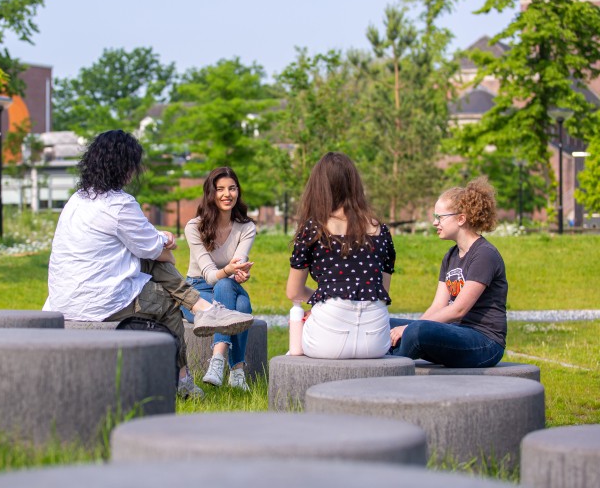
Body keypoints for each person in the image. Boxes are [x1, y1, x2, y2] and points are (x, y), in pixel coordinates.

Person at [43, 130, 254, 399]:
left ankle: (203, 309)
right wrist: (164, 244)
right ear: (126, 167)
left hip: (63, 298)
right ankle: (183, 381)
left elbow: (146, 245)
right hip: (98, 301)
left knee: (148, 262)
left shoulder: (77, 199)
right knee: (167, 303)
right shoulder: (120, 204)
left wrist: (156, 246)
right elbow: (157, 252)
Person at [286, 152, 396, 359]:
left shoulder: (313, 228)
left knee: (294, 343)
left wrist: (326, 298)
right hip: (376, 339)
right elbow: (381, 290)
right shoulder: (380, 229)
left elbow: (294, 292)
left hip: (328, 335)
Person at [389, 177, 507, 368]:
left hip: (485, 343)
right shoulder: (451, 255)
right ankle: (383, 358)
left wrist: (411, 329)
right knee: (385, 324)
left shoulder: (485, 254)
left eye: (440, 217)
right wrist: (405, 329)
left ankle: (383, 369)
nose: (434, 223)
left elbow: (458, 310)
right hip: (454, 331)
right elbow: (438, 306)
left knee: (416, 331)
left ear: (461, 218)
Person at [181, 167, 256, 391]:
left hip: (228, 286)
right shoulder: (194, 227)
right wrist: (230, 270)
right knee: (242, 304)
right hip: (195, 292)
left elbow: (236, 264)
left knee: (227, 285)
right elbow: (209, 274)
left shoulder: (246, 227)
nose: (227, 194)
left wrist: (239, 271)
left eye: (232, 188)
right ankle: (237, 371)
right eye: (220, 189)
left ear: (238, 192)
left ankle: (217, 361)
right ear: (210, 193)